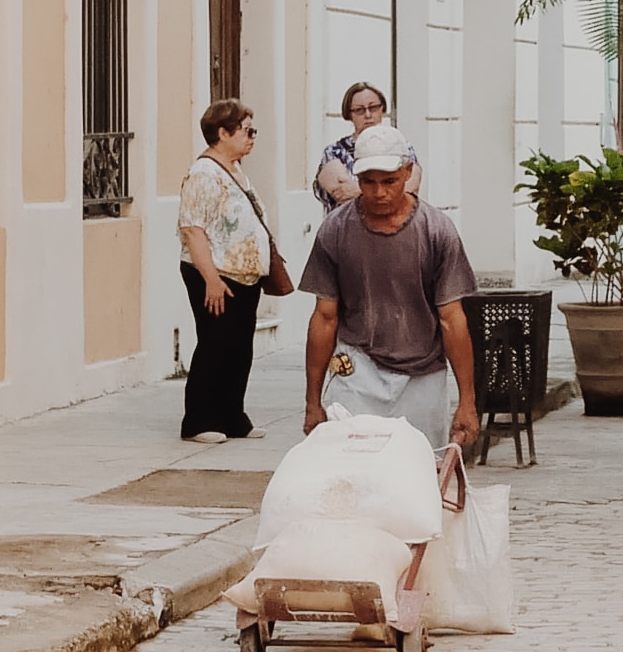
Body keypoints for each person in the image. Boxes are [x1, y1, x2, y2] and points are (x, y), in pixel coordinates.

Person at [297, 126, 480, 456]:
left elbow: (453, 319)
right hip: (357, 367)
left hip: (423, 373)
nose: (379, 192)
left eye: (389, 181)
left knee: (420, 470)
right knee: (351, 470)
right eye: (368, 182)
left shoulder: (437, 231)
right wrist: (312, 401)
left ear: (407, 173)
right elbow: (324, 317)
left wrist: (467, 401)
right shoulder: (335, 230)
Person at [176, 99, 274, 443]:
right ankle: (200, 419)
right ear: (223, 133)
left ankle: (232, 415)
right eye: (247, 130)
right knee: (215, 345)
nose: (252, 137)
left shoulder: (233, 169)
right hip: (217, 275)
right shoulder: (203, 173)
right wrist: (211, 280)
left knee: (239, 348)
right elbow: (193, 229)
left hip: (244, 278)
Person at [314, 81, 394, 212]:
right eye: (359, 110)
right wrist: (387, 190)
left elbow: (410, 190)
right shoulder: (334, 151)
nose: (368, 115)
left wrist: (356, 189)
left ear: (382, 109)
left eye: (373, 108)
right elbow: (342, 193)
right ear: (349, 114)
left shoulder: (400, 147)